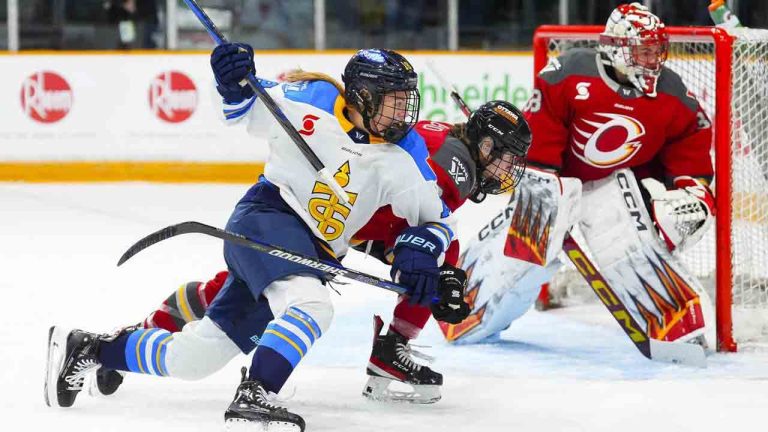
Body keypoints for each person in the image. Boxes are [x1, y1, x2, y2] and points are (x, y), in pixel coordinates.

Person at [46, 46, 460, 431]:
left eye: (408, 100)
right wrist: (231, 79)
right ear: (364, 95)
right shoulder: (308, 98)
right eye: (394, 100)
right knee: (312, 307)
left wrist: (422, 250)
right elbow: (241, 107)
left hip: (312, 251)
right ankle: (256, 394)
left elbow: (437, 220)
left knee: (194, 359)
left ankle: (92, 348)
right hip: (267, 217)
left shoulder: (405, 152)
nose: (404, 112)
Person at [89, 99, 531, 404]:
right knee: (438, 258)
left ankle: (142, 332)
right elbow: (420, 221)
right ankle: (390, 349)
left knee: (239, 289)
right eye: (507, 158)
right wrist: (418, 268)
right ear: (485, 145)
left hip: (344, 219)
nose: (508, 170)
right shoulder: (457, 169)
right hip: (336, 220)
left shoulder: (445, 141)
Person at [440, 3, 718, 349]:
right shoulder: (567, 73)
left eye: (658, 51)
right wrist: (546, 192)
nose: (654, 61)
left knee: (623, 233)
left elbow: (689, 143)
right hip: (555, 180)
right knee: (531, 239)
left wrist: (693, 193)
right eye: (645, 52)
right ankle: (467, 309)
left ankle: (678, 328)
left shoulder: (672, 93)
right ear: (617, 48)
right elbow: (538, 144)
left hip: (615, 182)